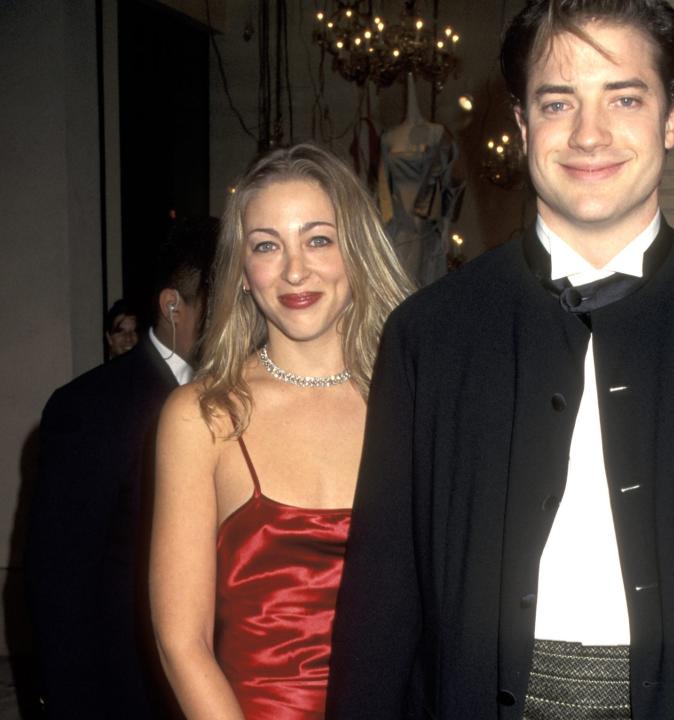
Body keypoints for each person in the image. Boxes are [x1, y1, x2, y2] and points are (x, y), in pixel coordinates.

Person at [327, 1, 674, 719]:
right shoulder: (427, 337)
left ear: (673, 117)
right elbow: (382, 600)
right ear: (525, 125)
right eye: (559, 101)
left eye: (624, 98)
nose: (589, 134)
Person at [149, 143, 411, 720]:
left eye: (318, 239)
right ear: (243, 274)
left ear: (358, 253)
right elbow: (181, 643)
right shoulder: (202, 417)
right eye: (266, 246)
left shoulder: (416, 400)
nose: (295, 270)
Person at [26, 217, 217, 719]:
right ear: (173, 305)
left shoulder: (245, 394)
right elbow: (60, 579)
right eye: (223, 308)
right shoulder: (91, 406)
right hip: (129, 689)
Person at [378, 72, 464, 287]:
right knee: (394, 281)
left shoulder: (437, 134)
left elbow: (449, 182)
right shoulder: (388, 137)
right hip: (395, 220)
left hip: (423, 220)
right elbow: (382, 186)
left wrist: (445, 226)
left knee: (419, 280)